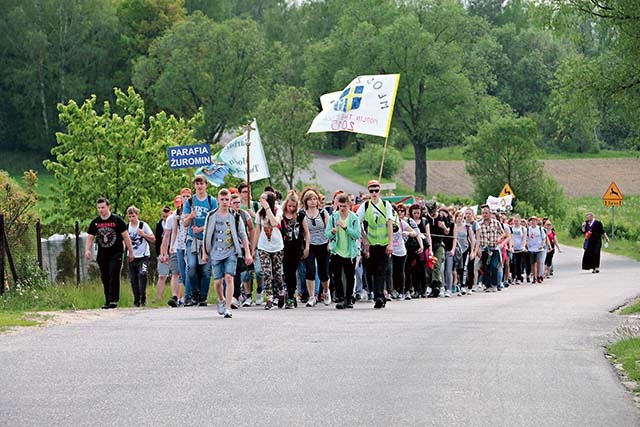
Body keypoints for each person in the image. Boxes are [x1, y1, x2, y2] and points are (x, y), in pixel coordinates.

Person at [202, 188, 253, 319]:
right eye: (222, 199)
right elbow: (206, 235)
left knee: (229, 278)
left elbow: (243, 235)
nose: (224, 202)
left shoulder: (235, 217)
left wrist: (247, 253)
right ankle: (221, 299)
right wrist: (204, 252)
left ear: (230, 201)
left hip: (231, 251)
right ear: (218, 200)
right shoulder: (211, 215)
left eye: (227, 200)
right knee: (218, 281)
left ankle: (228, 307)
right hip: (215, 251)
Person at [85, 197, 134, 309]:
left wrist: (131, 252)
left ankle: (114, 300)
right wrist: (87, 250)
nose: (101, 210)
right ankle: (107, 299)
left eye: (103, 207)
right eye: (98, 208)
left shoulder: (117, 220)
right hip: (102, 253)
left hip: (116, 252)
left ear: (108, 207)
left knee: (113, 274)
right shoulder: (95, 223)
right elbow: (90, 237)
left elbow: (126, 237)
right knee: (105, 276)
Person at [357, 180, 393, 309]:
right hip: (371, 244)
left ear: (380, 191)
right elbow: (357, 222)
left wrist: (390, 243)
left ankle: (379, 296)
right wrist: (364, 238)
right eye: (371, 191)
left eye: (376, 190)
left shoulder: (386, 205)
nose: (374, 193)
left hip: (383, 243)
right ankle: (380, 296)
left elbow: (389, 223)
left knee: (381, 271)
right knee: (372, 270)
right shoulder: (365, 206)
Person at [183, 175, 218, 306]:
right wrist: (190, 216)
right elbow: (185, 223)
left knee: (205, 269)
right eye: (197, 183)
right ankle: (194, 293)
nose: (199, 186)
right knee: (191, 266)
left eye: (201, 183)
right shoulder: (190, 202)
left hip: (207, 240)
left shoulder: (211, 201)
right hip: (192, 240)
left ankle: (203, 296)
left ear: (206, 185)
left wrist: (202, 228)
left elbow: (215, 221)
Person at [326, 194, 360, 309]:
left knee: (350, 276)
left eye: (344, 206)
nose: (342, 208)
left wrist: (345, 228)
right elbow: (327, 234)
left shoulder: (354, 218)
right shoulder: (333, 217)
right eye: (340, 206)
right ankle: (340, 298)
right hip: (337, 251)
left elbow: (356, 235)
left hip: (350, 252)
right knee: (337, 276)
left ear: (349, 205)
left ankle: (349, 298)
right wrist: (332, 232)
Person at [251, 191, 284, 310]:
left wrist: (268, 208)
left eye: (263, 199)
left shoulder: (278, 210)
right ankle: (269, 297)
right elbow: (257, 230)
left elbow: (275, 223)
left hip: (277, 246)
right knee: (266, 272)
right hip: (263, 246)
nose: (261, 201)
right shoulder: (260, 213)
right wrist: (253, 249)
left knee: (277, 273)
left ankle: (281, 291)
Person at [301, 188, 331, 306]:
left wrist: (329, 243)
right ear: (306, 201)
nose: (312, 202)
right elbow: (302, 231)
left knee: (323, 272)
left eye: (314, 199)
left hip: (323, 244)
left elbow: (328, 229)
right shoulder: (302, 214)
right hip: (310, 245)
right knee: (310, 270)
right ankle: (312, 296)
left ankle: (326, 291)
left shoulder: (323, 213)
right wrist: (305, 247)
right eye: (310, 199)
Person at [281, 191, 309, 309]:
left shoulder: (300, 216)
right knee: (288, 274)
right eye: (289, 206)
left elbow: (307, 232)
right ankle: (291, 295)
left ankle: (292, 295)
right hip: (284, 248)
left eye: (294, 206)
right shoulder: (281, 216)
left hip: (297, 248)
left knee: (295, 273)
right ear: (286, 204)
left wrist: (307, 247)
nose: (291, 208)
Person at [164, 190, 191, 307]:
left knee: (188, 272)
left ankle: (188, 295)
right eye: (183, 196)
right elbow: (173, 231)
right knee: (176, 272)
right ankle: (175, 296)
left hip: (190, 244)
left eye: (187, 196)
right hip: (178, 245)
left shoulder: (193, 211)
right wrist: (171, 246)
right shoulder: (176, 214)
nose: (185, 198)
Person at [126, 206, 155, 307]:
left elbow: (153, 238)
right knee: (133, 279)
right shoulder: (127, 227)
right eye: (129, 217)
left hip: (143, 255)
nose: (131, 219)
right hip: (132, 256)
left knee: (142, 274)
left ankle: (143, 296)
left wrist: (143, 235)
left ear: (137, 215)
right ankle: (136, 300)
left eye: (133, 216)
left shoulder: (143, 225)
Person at [474, 204, 506, 292]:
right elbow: (477, 237)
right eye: (483, 213)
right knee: (485, 267)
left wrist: (499, 238)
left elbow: (503, 233)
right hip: (484, 249)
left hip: (494, 248)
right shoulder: (479, 224)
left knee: (494, 266)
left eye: (486, 213)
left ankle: (494, 284)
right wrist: (478, 249)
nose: (485, 215)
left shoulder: (496, 223)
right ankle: (487, 285)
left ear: (490, 213)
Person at [154, 206, 172, 302]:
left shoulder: (174, 223)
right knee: (162, 276)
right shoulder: (159, 225)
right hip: (162, 254)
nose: (165, 219)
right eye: (163, 216)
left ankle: (178, 297)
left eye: (166, 216)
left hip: (172, 252)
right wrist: (160, 254)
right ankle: (158, 297)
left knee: (176, 275)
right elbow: (158, 241)